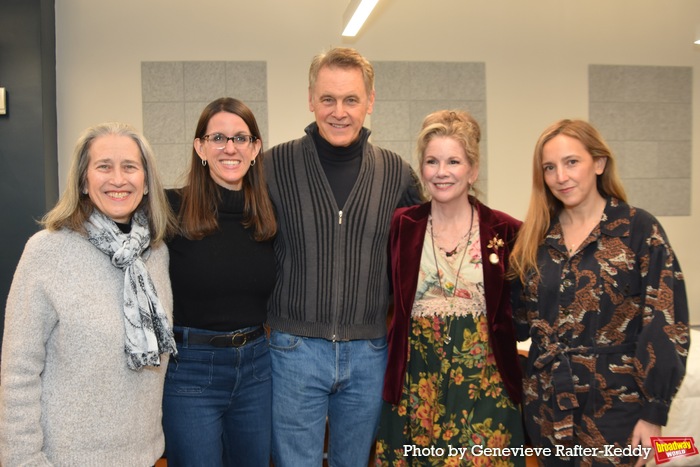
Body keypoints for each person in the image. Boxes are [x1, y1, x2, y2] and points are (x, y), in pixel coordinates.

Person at [264, 47, 424, 467]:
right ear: (310, 100)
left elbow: (430, 240)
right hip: (294, 349)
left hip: (369, 352)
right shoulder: (271, 166)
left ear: (370, 102)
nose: (339, 111)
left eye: (351, 99)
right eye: (328, 99)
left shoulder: (396, 173)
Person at [509, 119, 690, 467]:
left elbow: (667, 323)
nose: (561, 176)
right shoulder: (535, 237)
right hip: (546, 408)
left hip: (616, 408)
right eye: (550, 167)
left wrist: (654, 412)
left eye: (571, 162)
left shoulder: (638, 230)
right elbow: (516, 321)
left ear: (599, 163)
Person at [0, 122, 177, 466]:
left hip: (144, 455)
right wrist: (22, 460)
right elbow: (18, 371)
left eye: (129, 167)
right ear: (83, 181)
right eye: (103, 167)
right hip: (64, 458)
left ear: (145, 183)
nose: (118, 179)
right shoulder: (46, 252)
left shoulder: (154, 254)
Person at [375, 110, 526, 466]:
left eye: (453, 161)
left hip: (485, 385)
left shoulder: (506, 231)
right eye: (432, 161)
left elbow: (526, 310)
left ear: (473, 170)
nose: (441, 172)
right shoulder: (402, 226)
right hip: (416, 384)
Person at [161, 97, 277, 467]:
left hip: (257, 366)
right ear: (200, 147)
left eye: (241, 138)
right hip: (191, 368)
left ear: (256, 148)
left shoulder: (268, 215)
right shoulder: (169, 209)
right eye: (218, 138)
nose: (230, 148)